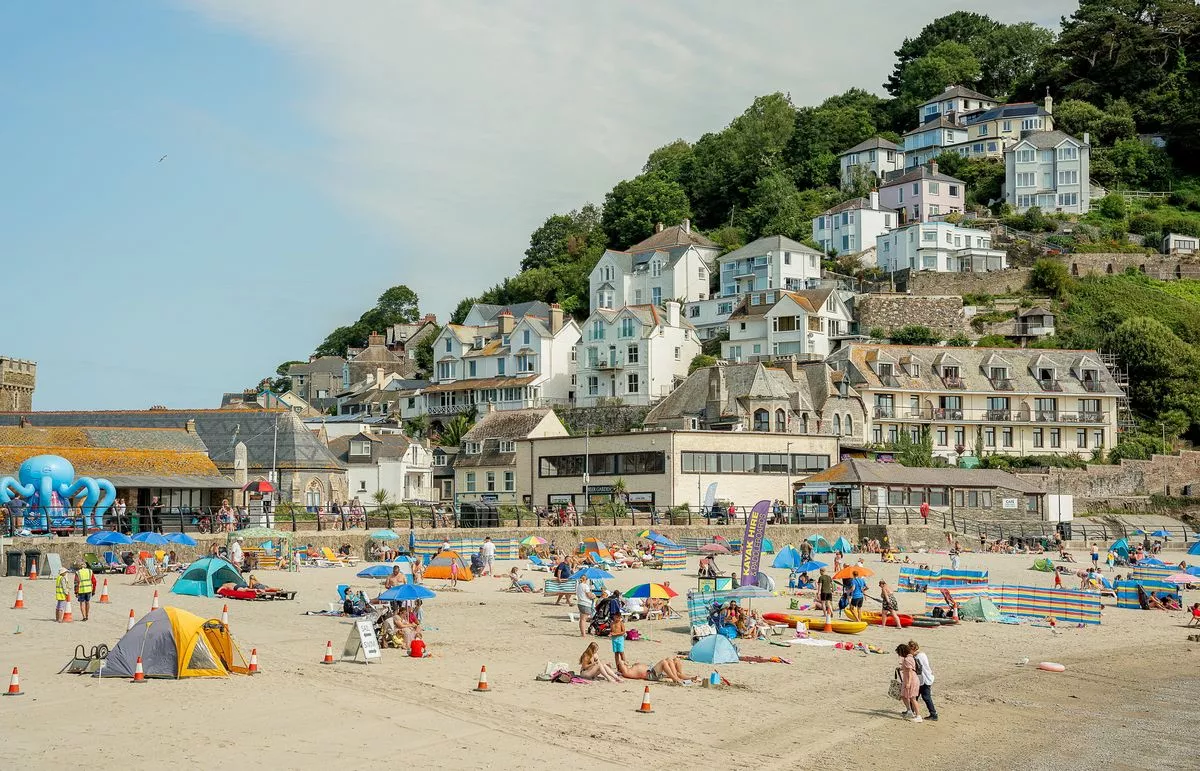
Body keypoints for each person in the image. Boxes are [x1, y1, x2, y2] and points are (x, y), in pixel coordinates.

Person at [908, 640, 938, 721]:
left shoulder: (918, 657)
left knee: (926, 697)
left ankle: (933, 714)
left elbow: (918, 668)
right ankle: (911, 710)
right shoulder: (922, 654)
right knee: (915, 696)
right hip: (924, 678)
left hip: (924, 680)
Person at [618, 657, 700, 685]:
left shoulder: (630, 668)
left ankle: (690, 678)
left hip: (653, 671)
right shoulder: (626, 672)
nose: (624, 663)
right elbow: (620, 662)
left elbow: (622, 663)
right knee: (664, 662)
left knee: (673, 660)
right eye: (623, 664)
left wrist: (626, 663)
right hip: (650, 675)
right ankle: (676, 679)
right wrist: (622, 663)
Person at [896, 643, 922, 721]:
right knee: (904, 695)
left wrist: (908, 683)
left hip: (911, 680)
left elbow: (910, 671)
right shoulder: (909, 657)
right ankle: (909, 711)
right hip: (909, 679)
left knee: (912, 698)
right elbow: (908, 669)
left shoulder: (907, 659)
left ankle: (918, 716)